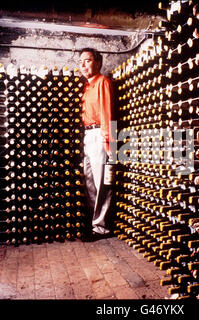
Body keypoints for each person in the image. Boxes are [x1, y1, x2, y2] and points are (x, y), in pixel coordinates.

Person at [78, 48, 115, 241]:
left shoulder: (103, 83)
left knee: (102, 184)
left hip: (100, 134)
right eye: (81, 61)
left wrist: (108, 143)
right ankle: (94, 222)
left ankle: (101, 228)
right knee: (90, 182)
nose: (83, 65)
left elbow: (107, 113)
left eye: (88, 60)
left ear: (98, 63)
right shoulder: (86, 87)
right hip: (87, 135)